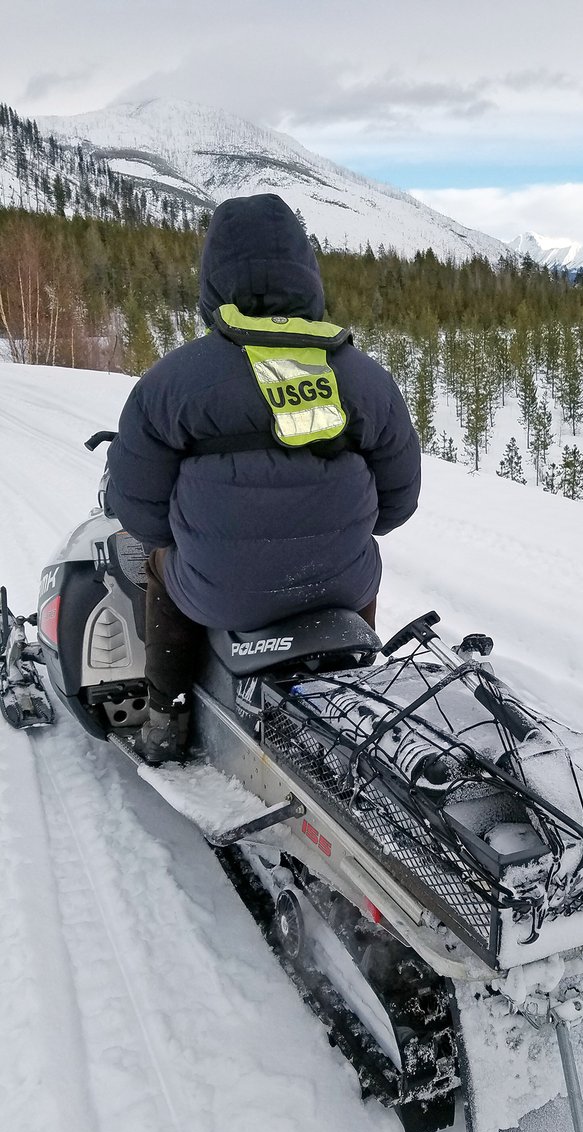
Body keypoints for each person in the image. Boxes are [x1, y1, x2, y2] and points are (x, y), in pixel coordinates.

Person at [106, 194, 421, 763]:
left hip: (220, 593)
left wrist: (184, 540)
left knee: (157, 566)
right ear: (308, 276)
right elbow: (397, 505)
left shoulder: (173, 381)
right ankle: (353, 686)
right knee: (363, 559)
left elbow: (141, 514)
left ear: (212, 280)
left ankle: (166, 718)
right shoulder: (365, 377)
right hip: (340, 588)